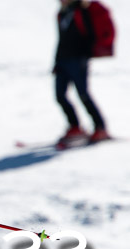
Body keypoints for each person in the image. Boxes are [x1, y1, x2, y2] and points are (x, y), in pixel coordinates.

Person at [54, 0, 110, 145]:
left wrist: (87, 53)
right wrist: (56, 61)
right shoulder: (62, 13)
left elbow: (91, 33)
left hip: (78, 59)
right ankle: (75, 126)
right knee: (60, 95)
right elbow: (61, 39)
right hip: (63, 60)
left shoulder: (83, 10)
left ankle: (100, 127)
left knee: (83, 93)